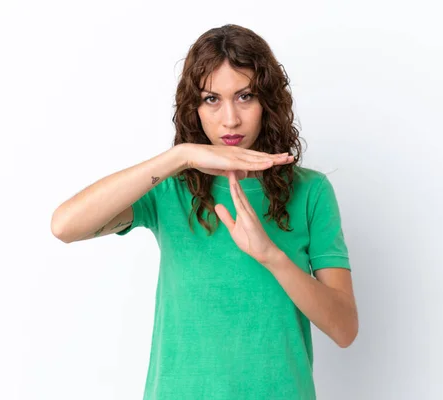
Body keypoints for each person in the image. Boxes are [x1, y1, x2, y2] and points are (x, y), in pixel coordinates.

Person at [51, 24, 358, 400]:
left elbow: (344, 329)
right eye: (212, 99)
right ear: (194, 108)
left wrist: (271, 256)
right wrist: (181, 156)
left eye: (245, 96)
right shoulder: (169, 187)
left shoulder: (310, 191)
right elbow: (65, 225)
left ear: (268, 101)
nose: (230, 119)